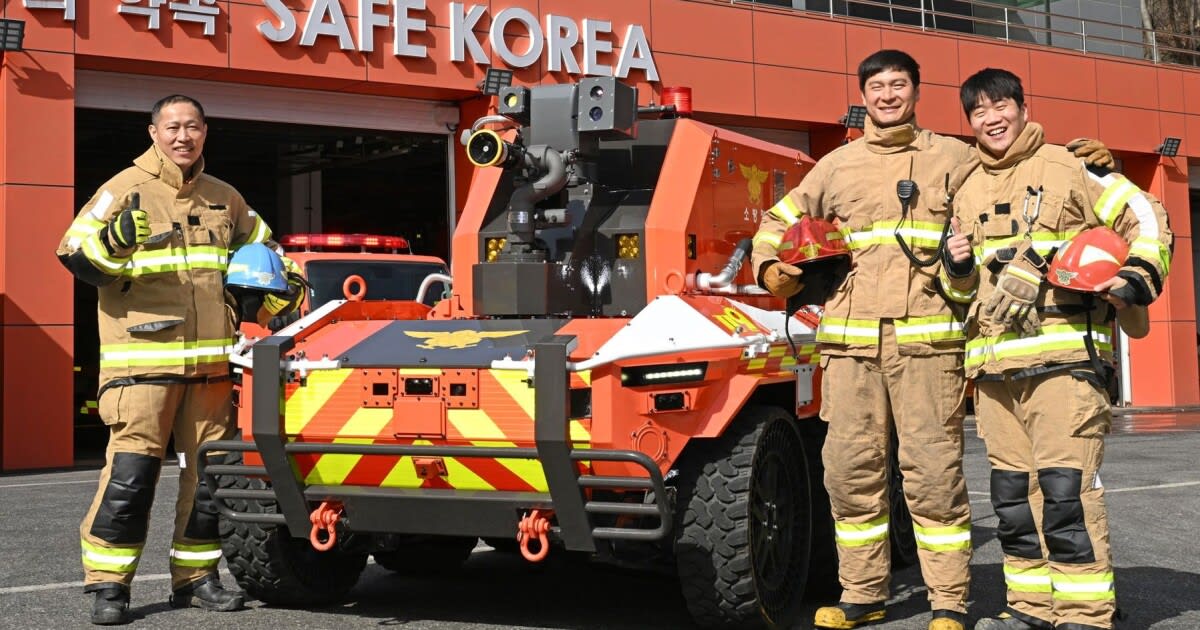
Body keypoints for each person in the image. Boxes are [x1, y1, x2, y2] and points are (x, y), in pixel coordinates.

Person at [750, 50, 1113, 630]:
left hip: (931, 350)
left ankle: (948, 600)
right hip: (849, 352)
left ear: (917, 92)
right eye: (876, 86)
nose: (887, 95)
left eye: (899, 85)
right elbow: (776, 221)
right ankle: (862, 592)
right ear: (863, 95)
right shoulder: (835, 166)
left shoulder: (956, 157)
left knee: (933, 479)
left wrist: (1086, 162)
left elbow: (1015, 166)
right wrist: (771, 268)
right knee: (849, 475)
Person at [56, 94, 302, 625]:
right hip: (141, 366)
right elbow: (74, 252)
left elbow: (269, 255)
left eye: (192, 126)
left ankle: (196, 579)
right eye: (171, 127)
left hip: (211, 370)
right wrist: (114, 243)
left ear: (205, 132)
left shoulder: (225, 198)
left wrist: (286, 287)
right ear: (153, 132)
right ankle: (109, 585)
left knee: (208, 480)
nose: (182, 136)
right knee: (131, 476)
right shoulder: (124, 189)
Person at [943, 68, 1172, 630]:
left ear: (1023, 107)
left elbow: (1145, 215)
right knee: (1013, 501)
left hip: (1065, 365)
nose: (991, 118)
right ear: (969, 121)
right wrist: (958, 268)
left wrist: (1138, 277)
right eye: (978, 112)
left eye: (1001, 106)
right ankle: (1030, 609)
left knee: (1065, 495)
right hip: (995, 371)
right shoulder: (966, 186)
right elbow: (962, 292)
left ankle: (1085, 613)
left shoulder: (1073, 167)